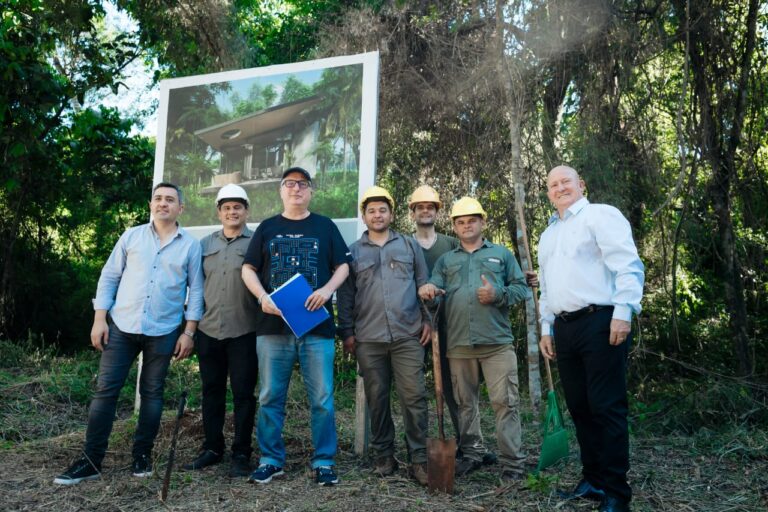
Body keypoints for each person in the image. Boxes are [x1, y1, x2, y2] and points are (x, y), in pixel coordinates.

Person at [54, 182, 203, 485]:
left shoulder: (190, 245)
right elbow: (109, 277)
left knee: (152, 394)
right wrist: (99, 319)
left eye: (170, 200)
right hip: (121, 326)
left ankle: (142, 455)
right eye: (158, 199)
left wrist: (189, 332)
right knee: (106, 392)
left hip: (164, 330)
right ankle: (91, 460)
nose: (163, 204)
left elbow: (196, 290)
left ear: (180, 208)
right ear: (151, 204)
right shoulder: (131, 236)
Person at [538, 165, 644, 512]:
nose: (560, 188)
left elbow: (627, 265)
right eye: (553, 185)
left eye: (566, 181)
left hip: (601, 321)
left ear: (580, 184)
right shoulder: (548, 234)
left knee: (606, 407)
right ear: (549, 193)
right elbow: (548, 286)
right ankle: (594, 480)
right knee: (580, 408)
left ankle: (617, 492)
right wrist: (545, 327)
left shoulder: (600, 216)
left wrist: (623, 311)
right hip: (564, 328)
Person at [241, 167, 351, 486]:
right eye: (290, 184)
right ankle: (271, 459)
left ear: (310, 191)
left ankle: (324, 461)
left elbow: (343, 265)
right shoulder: (267, 227)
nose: (296, 189)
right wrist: (262, 296)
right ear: (281, 190)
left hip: (316, 328)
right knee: (270, 396)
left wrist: (327, 290)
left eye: (302, 185)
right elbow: (248, 269)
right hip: (272, 328)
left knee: (322, 398)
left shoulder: (325, 226)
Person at [419, 197, 528, 480]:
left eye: (472, 220)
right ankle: (473, 454)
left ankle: (512, 465)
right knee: (466, 404)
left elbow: (520, 289)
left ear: (483, 222)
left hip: (496, 344)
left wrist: (497, 294)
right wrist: (430, 290)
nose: (466, 226)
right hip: (458, 345)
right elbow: (436, 290)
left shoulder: (501, 255)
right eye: (461, 222)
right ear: (454, 226)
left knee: (505, 403)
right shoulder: (446, 260)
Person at [337, 186, 431, 486]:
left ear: (391, 214)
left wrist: (429, 321)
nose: (377, 215)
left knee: (414, 397)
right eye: (371, 210)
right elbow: (346, 295)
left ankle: (419, 458)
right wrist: (348, 333)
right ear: (364, 216)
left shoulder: (408, 245)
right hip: (369, 338)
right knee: (377, 398)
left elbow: (423, 284)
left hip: (408, 335)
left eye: (383, 210)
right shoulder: (352, 252)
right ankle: (384, 454)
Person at [408, 185, 498, 467]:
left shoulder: (450, 244)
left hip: (449, 327)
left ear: (437, 211)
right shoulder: (403, 243)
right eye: (419, 206)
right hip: (412, 327)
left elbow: (481, 269)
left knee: (455, 389)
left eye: (430, 206)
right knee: (413, 390)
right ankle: (419, 450)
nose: (425, 210)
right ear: (412, 212)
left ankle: (469, 445)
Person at [182, 184, 259, 477]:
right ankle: (212, 448)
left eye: (237, 207)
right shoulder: (204, 245)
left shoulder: (256, 242)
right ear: (219, 212)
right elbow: (195, 287)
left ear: (246, 210)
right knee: (211, 391)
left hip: (245, 331)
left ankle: (241, 454)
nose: (232, 212)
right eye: (226, 207)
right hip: (209, 330)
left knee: (243, 395)